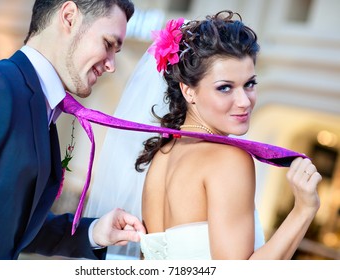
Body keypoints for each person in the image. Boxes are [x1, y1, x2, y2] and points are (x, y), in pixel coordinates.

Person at [0, 0, 146, 260]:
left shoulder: (42, 109)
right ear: (68, 17)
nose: (111, 64)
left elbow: (11, 227)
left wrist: (93, 232)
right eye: (108, 44)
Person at [134, 11, 322, 259]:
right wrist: (304, 210)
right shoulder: (228, 159)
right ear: (188, 91)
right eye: (225, 88)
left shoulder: (163, 155)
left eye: (250, 84)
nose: (244, 101)